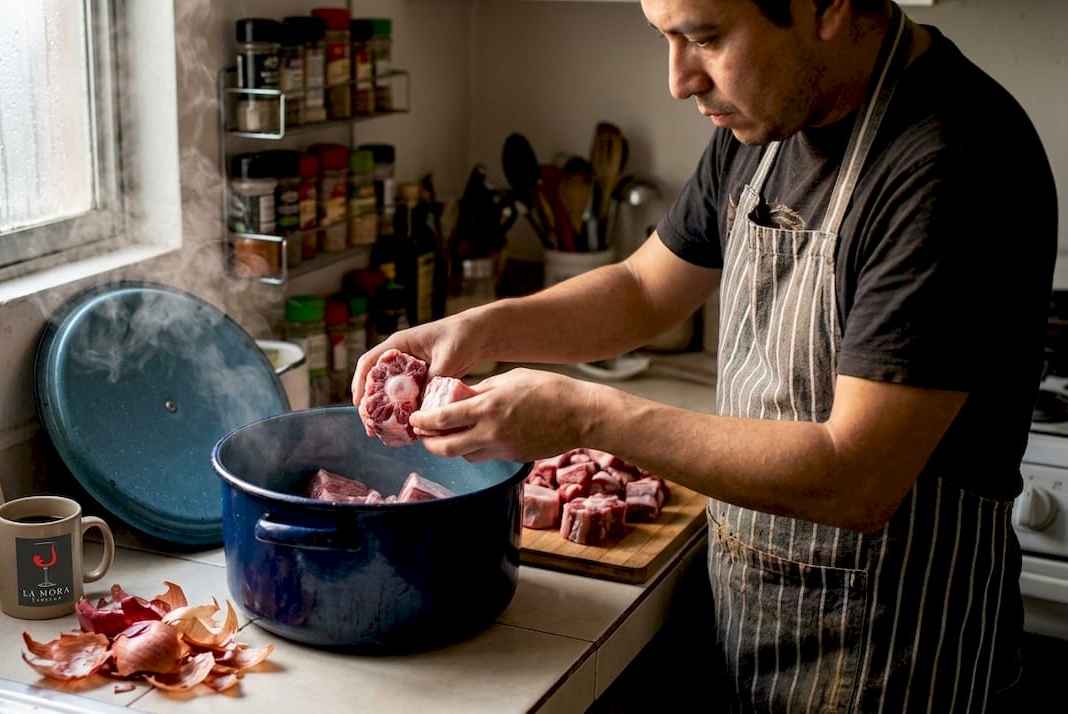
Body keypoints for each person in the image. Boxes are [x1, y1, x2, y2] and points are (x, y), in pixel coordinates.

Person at [352, 0, 1057, 711]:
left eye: (706, 38)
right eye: (666, 37)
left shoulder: (953, 161)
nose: (679, 80)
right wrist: (480, 329)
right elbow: (642, 290)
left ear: (828, 7)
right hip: (759, 630)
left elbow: (858, 477)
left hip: (899, 664)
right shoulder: (768, 118)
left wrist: (587, 416)